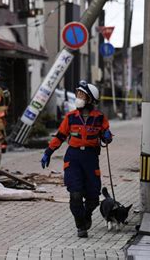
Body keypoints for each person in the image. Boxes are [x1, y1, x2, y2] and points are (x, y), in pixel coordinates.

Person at [40, 80, 113, 238]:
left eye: (81, 95)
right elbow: (59, 136)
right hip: (73, 158)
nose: (78, 97)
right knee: (75, 194)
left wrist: (107, 136)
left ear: (90, 99)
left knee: (93, 197)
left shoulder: (100, 118)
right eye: (78, 94)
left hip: (91, 158)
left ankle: (86, 215)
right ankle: (81, 225)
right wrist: (48, 152)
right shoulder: (70, 117)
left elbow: (107, 135)